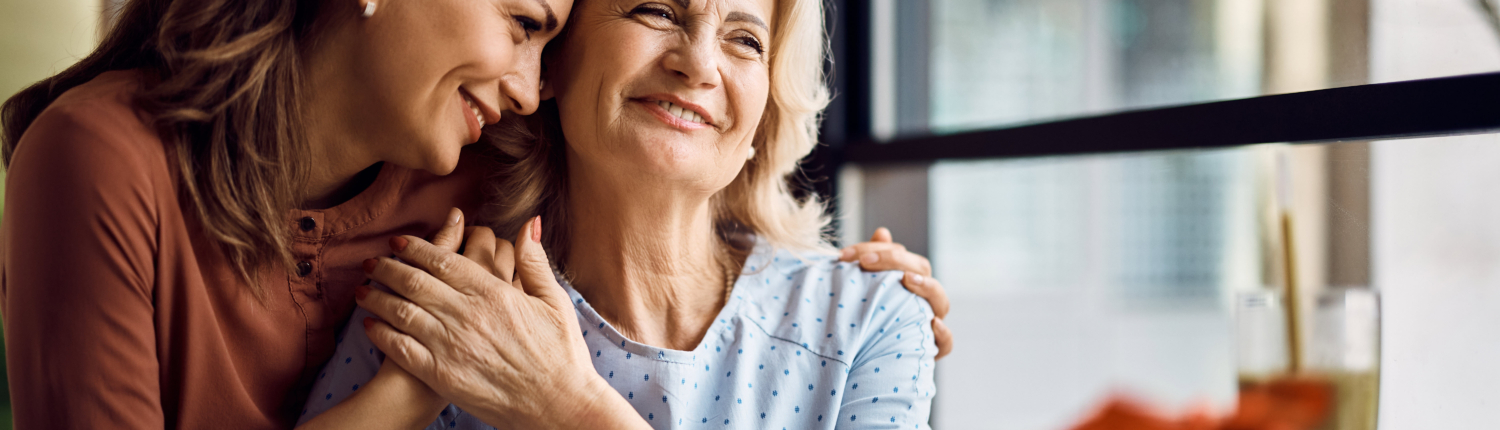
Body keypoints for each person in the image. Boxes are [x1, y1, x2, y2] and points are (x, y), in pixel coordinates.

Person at [0, 0, 949, 428]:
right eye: (529, 26)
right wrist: (412, 393)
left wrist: (860, 289)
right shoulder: (462, 253)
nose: (530, 89)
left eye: (744, 38)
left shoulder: (466, 157)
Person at [301, 0, 941, 428]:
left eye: (744, 40)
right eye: (657, 10)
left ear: (764, 117)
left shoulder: (870, 321)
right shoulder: (444, 304)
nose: (698, 63)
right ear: (554, 63)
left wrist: (565, 406)